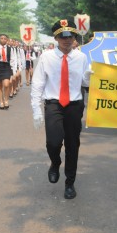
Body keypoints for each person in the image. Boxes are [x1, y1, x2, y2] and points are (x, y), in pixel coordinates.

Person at [31, 19, 91, 199]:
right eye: (62, 36)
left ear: (74, 38)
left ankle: (70, 183)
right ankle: (55, 163)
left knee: (73, 145)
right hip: (54, 104)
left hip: (74, 105)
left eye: (70, 36)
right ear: (56, 38)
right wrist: (35, 109)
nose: (66, 40)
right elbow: (37, 84)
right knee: (54, 142)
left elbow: (85, 83)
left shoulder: (81, 57)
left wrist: (88, 77)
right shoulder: (46, 57)